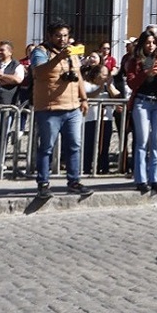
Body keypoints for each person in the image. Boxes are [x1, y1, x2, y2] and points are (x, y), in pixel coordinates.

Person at [30, 20, 92, 199]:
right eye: (58, 35)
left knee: (74, 146)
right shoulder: (40, 52)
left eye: (65, 35)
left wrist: (84, 99)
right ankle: (43, 184)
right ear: (50, 36)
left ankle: (74, 181)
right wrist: (58, 58)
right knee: (47, 147)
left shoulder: (72, 53)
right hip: (49, 109)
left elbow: (78, 75)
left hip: (72, 108)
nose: (62, 39)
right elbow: (39, 73)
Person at [126, 30, 157, 193]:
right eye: (147, 42)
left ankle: (156, 179)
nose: (151, 45)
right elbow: (131, 83)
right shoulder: (135, 61)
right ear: (142, 44)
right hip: (142, 102)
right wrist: (146, 73)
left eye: (153, 42)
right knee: (142, 141)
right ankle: (141, 179)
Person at [0, 40, 24, 171]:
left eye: (2, 50)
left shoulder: (17, 65)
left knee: (4, 133)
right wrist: (5, 79)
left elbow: (18, 80)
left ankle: (0, 160)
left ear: (10, 52)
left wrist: (1, 76)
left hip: (8, 105)